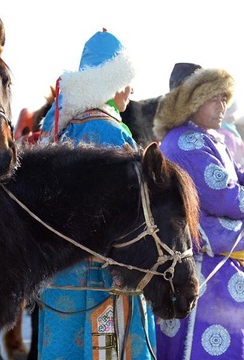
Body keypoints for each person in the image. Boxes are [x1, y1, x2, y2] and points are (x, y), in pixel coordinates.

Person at [37, 29, 157, 359]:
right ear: (113, 80)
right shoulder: (110, 131)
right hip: (102, 279)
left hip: (59, 275)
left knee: (62, 348)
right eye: (128, 79)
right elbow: (133, 210)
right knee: (106, 348)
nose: (132, 90)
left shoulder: (55, 127)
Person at [152, 63, 244, 359]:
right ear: (191, 101)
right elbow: (232, 200)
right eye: (214, 98)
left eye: (224, 98)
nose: (222, 106)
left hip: (213, 272)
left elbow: (243, 177)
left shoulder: (206, 139)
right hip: (206, 276)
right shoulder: (187, 143)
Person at [217, 100, 244, 169]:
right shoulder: (226, 134)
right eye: (231, 113)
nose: (234, 118)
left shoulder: (231, 131)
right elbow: (228, 164)